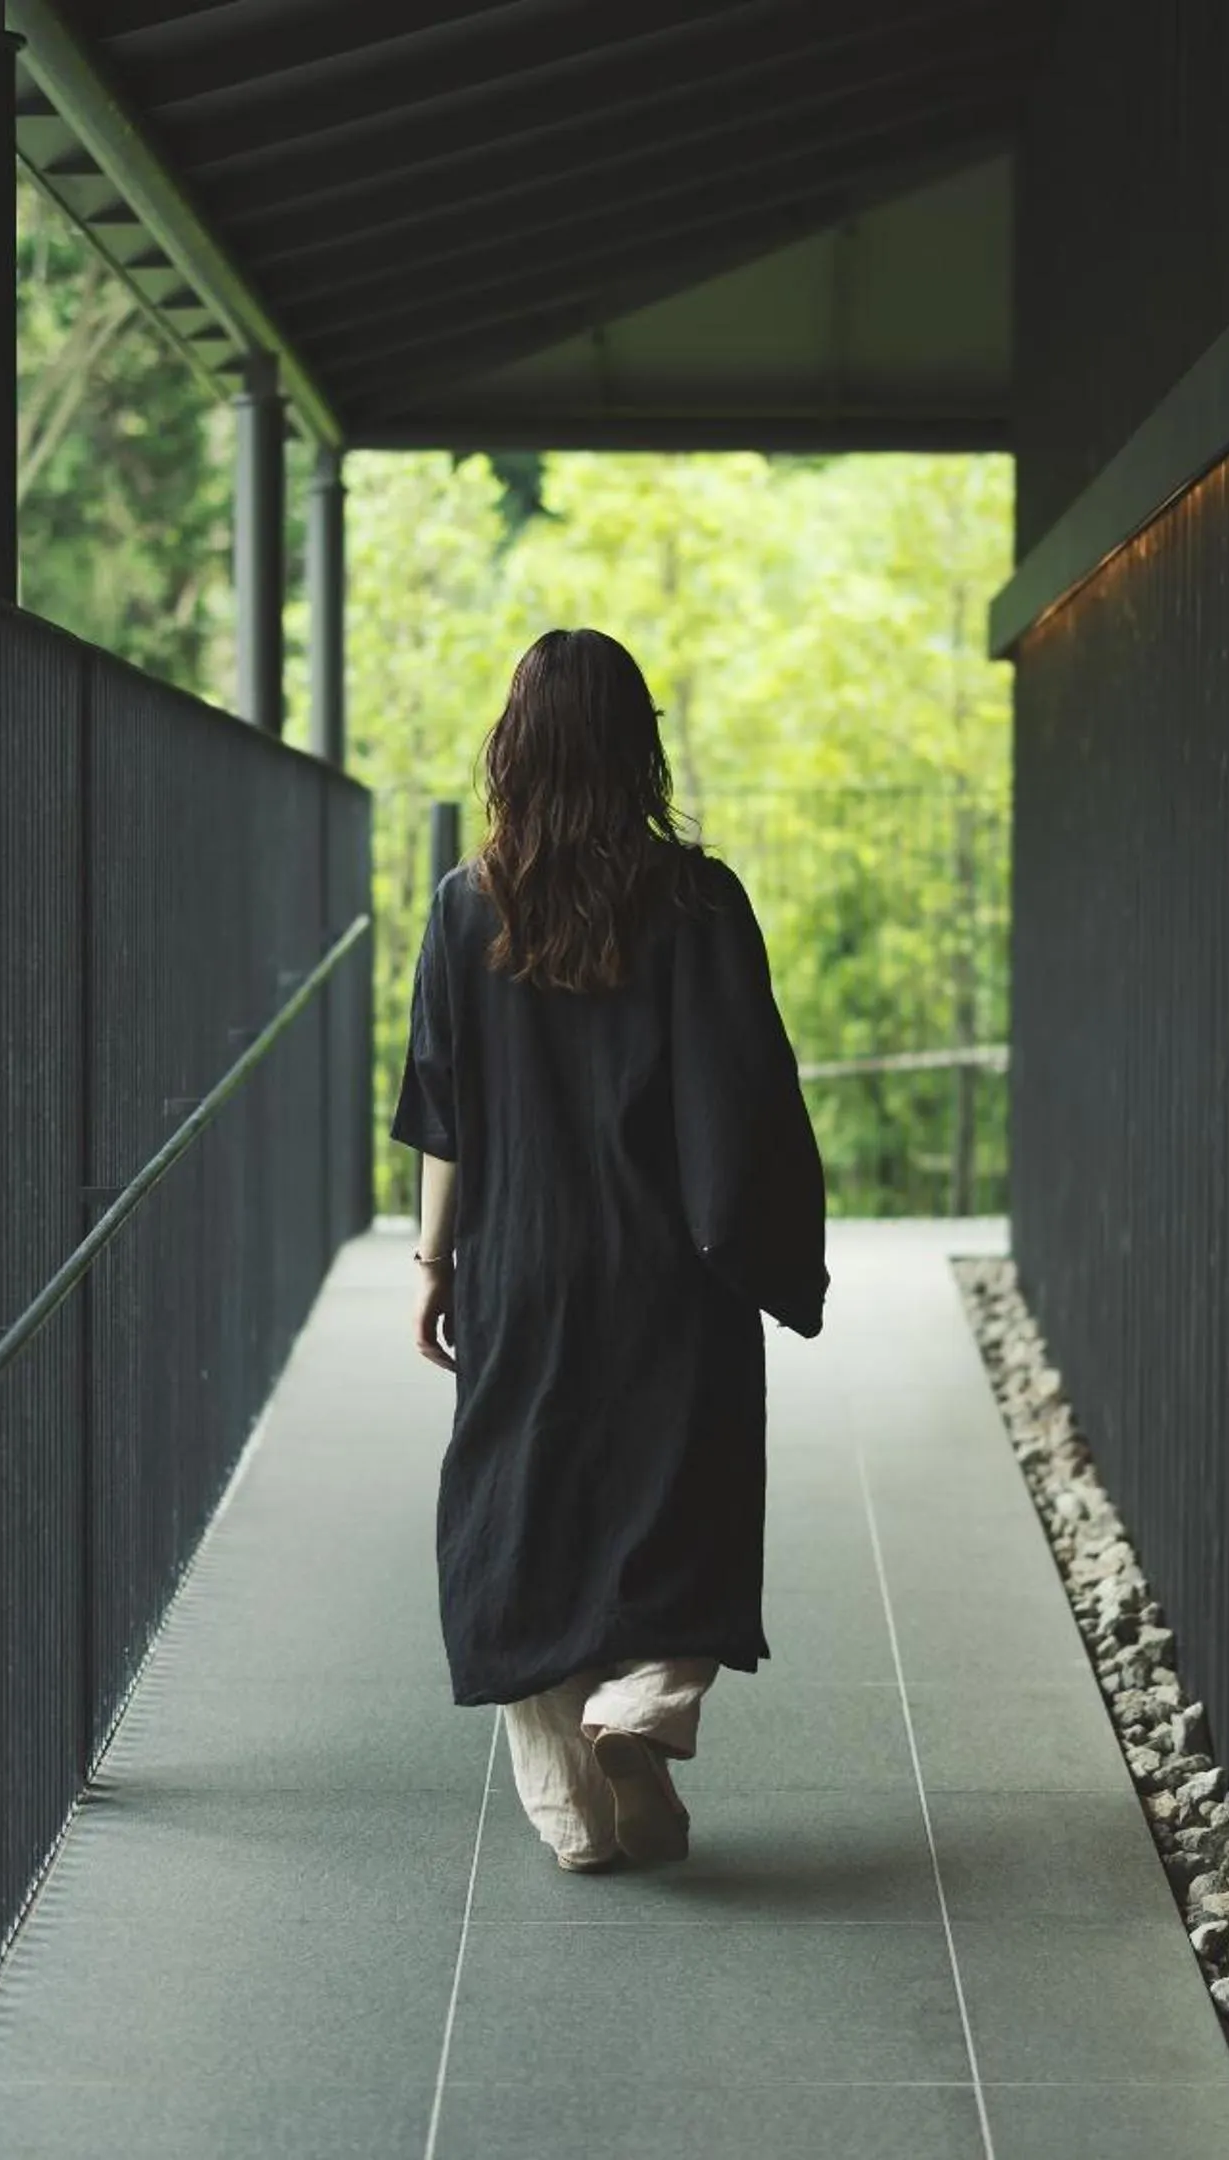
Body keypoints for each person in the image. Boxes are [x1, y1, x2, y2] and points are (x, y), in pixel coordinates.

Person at [392, 626, 828, 1875]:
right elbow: (751, 1095)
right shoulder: (698, 898)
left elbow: (445, 1111)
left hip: (521, 1263)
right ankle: (649, 1701)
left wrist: (435, 1270)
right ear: (638, 748)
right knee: (683, 1489)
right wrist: (770, 1255)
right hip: (670, 1268)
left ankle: (567, 1795)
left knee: (521, 1509)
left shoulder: (465, 904)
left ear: (513, 748)